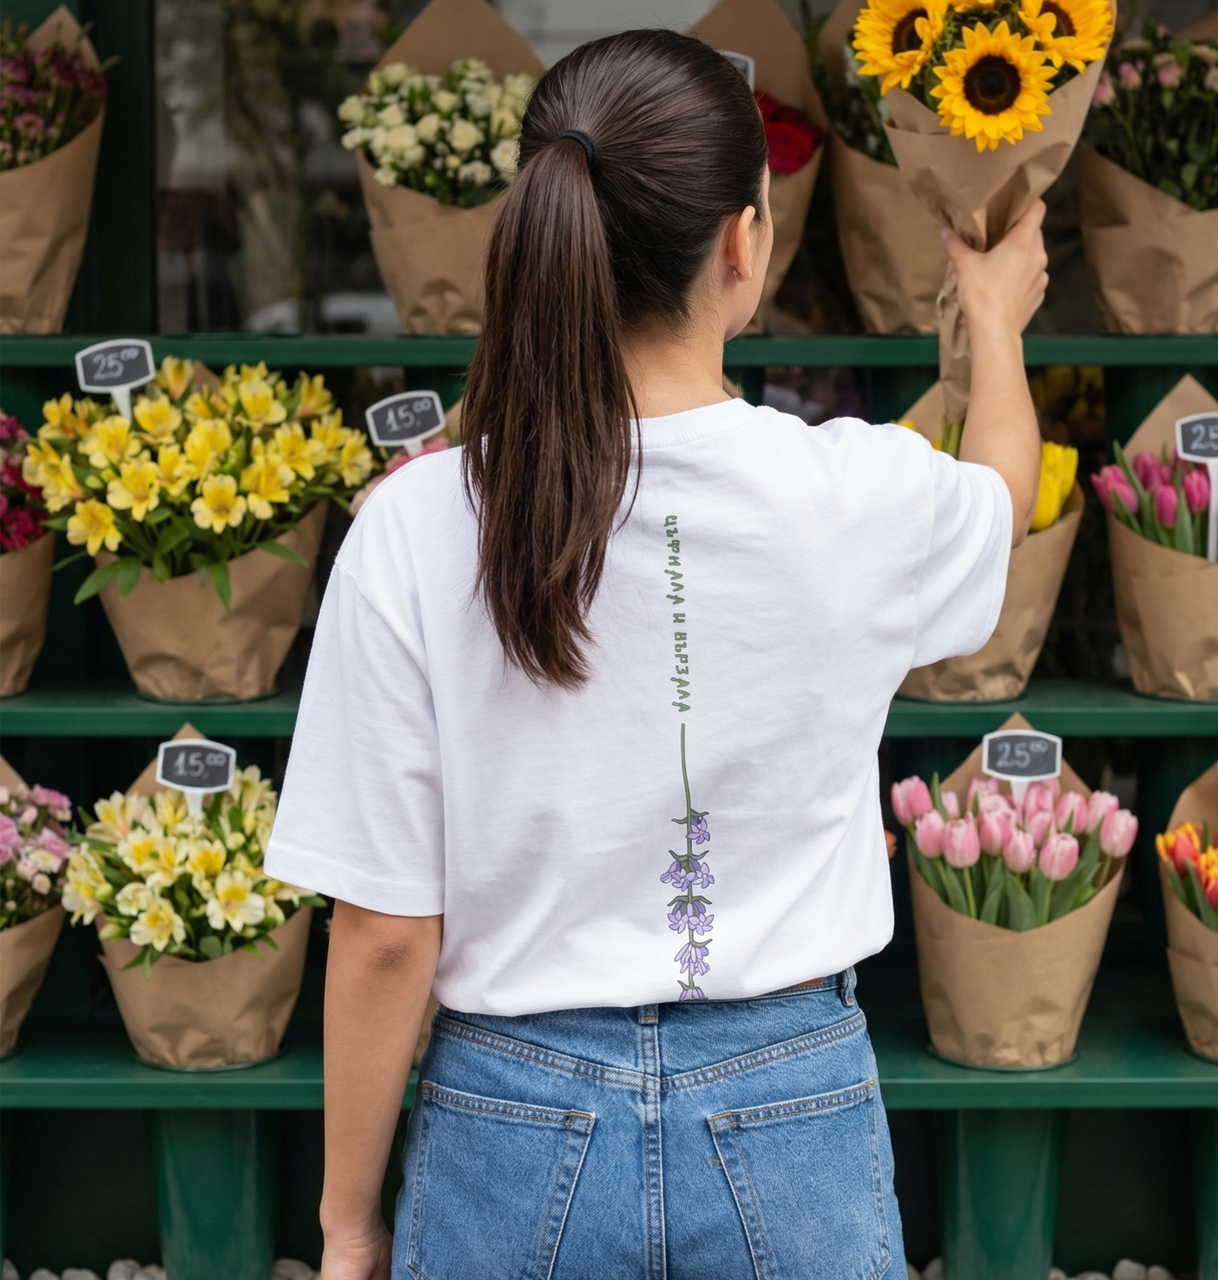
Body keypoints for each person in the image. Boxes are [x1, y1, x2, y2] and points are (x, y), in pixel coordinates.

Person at [265, 27, 1047, 1280]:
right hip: (791, 1103)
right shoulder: (855, 492)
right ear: (742, 243)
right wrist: (996, 317)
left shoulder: (414, 523)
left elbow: (382, 931)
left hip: (504, 1118)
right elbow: (1001, 492)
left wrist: (347, 1218)